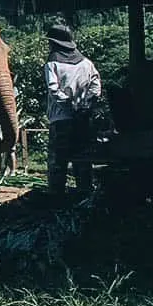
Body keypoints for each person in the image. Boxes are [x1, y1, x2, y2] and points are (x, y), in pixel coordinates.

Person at [44, 24, 102, 196]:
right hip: (83, 119)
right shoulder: (86, 63)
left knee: (57, 161)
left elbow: (54, 90)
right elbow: (96, 87)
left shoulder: (52, 63)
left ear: (54, 43)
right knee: (83, 160)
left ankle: (57, 198)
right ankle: (84, 196)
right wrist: (85, 105)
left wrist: (69, 104)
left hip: (61, 119)